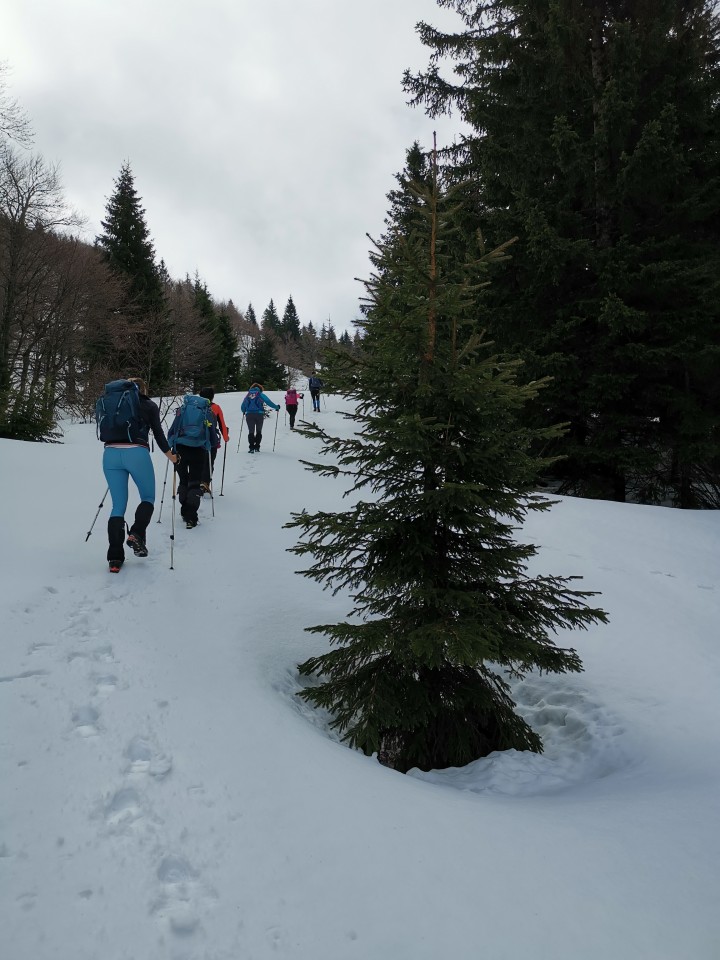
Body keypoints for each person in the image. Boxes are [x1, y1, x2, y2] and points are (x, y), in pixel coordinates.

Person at [99, 377, 176, 573]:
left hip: (110, 454)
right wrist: (171, 456)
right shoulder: (149, 405)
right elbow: (158, 433)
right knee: (148, 497)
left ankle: (114, 559)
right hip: (136, 453)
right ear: (142, 389)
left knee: (117, 505)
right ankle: (136, 533)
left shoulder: (112, 402)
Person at [168, 394, 219, 529]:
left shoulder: (182, 410)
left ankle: (185, 509)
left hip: (180, 448)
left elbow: (172, 430)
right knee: (195, 482)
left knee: (183, 480)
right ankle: (191, 516)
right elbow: (212, 433)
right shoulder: (207, 411)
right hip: (199, 449)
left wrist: (171, 444)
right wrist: (213, 444)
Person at [198, 387, 229, 492]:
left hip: (195, 439)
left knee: (197, 462)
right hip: (211, 439)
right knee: (209, 462)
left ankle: (194, 483)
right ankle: (204, 483)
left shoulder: (194, 407)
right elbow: (222, 425)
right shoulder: (215, 408)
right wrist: (226, 437)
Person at [240, 382, 280, 453]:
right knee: (259, 431)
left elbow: (243, 405)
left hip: (249, 415)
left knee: (251, 431)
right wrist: (276, 407)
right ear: (260, 389)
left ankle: (251, 447)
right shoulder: (260, 394)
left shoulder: (248, 394)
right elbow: (268, 401)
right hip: (259, 415)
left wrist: (244, 411)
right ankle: (257, 447)